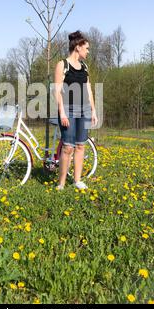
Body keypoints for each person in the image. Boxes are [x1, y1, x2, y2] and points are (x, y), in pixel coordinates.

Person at [54, 31, 98, 191]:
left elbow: (89, 90)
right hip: (68, 110)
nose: (88, 51)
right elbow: (57, 91)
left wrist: (93, 110)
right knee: (68, 147)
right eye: (86, 48)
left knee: (80, 146)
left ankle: (77, 180)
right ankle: (61, 183)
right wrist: (62, 112)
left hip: (84, 111)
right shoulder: (62, 65)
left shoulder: (84, 67)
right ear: (78, 47)